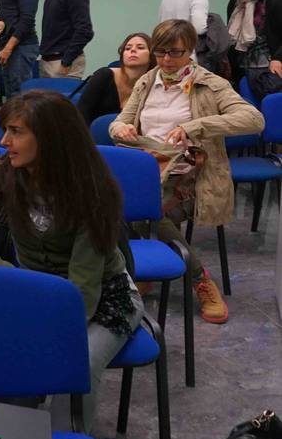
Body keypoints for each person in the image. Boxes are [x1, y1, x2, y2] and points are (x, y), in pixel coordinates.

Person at [0, 90, 143, 430]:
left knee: (76, 361)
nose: (4, 141)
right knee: (9, 355)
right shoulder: (0, 174)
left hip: (103, 297)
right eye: (6, 130)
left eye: (16, 131)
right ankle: (13, 438)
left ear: (50, 138)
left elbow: (84, 289)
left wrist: (42, 321)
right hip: (32, 292)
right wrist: (21, 282)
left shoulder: (92, 189)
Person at [110, 19, 263, 324]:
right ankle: (143, 268)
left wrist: (197, 126)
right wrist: (122, 128)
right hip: (149, 170)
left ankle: (200, 279)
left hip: (193, 177)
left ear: (190, 50)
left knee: (147, 214)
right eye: (160, 53)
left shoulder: (210, 83)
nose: (166, 60)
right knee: (110, 207)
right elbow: (117, 124)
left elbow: (254, 119)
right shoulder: (146, 82)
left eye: (175, 53)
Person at [226, 0, 282, 99]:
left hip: (268, 66)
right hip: (241, 66)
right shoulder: (236, 1)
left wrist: (278, 58)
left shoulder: (275, 0)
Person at [76, 32, 153, 124]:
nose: (132, 50)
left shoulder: (154, 83)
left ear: (152, 55)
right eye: (127, 48)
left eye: (140, 47)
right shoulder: (104, 76)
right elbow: (81, 114)